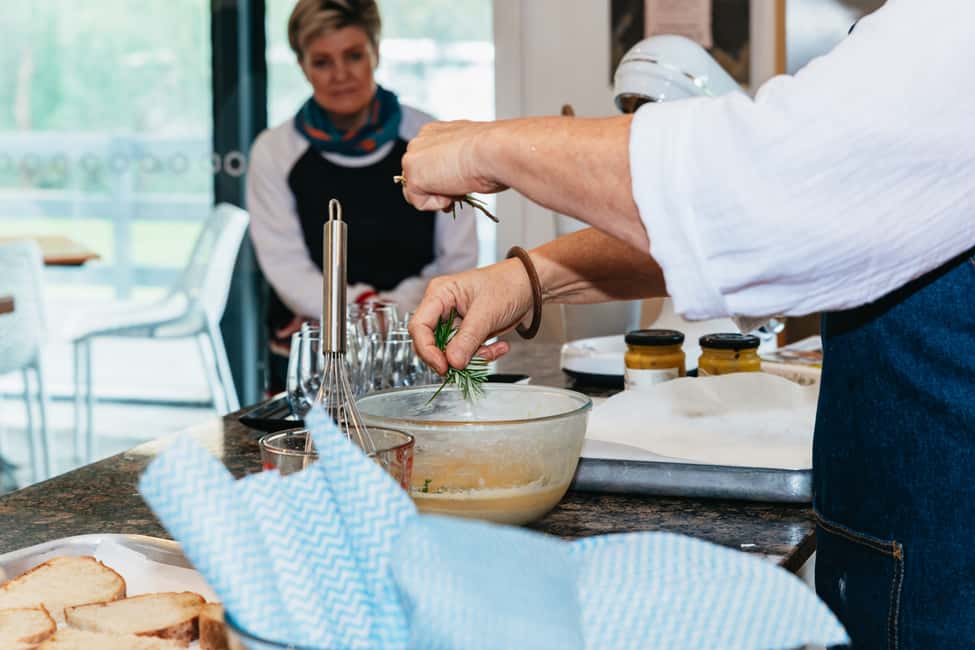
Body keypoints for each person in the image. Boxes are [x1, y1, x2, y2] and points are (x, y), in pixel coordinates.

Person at [401, 1, 975, 647]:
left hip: (950, 565)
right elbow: (830, 216)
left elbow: (762, 199)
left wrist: (487, 146)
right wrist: (525, 279)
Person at [246, 0, 477, 391]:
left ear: (376, 51)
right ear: (302, 66)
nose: (340, 75)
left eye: (353, 55)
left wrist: (390, 314)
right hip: (314, 360)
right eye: (322, 62)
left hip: (417, 349)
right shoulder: (274, 152)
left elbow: (457, 260)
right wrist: (365, 310)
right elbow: (285, 266)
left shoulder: (430, 140)